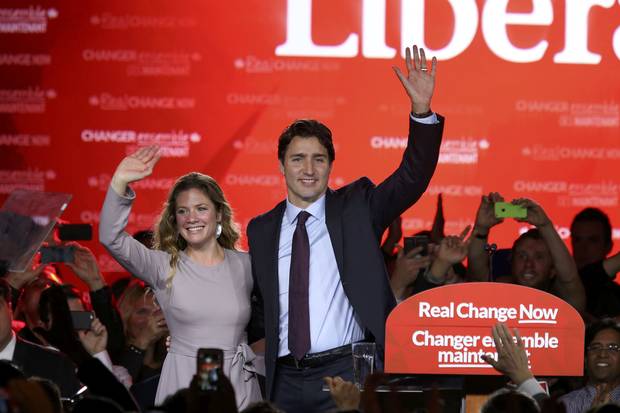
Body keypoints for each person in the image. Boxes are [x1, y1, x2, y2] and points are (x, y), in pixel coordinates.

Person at [247, 44, 444, 412]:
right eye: (298, 158)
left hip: (345, 375)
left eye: (319, 159)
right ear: (281, 165)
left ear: (331, 165)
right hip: (282, 379)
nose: (309, 168)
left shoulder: (357, 208)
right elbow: (257, 306)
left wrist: (421, 111)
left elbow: (412, 177)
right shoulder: (261, 230)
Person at [99, 146, 261, 408]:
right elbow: (111, 238)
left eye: (201, 208)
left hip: (238, 386)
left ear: (218, 213)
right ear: (174, 219)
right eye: (183, 211)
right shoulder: (163, 266)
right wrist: (119, 182)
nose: (191, 218)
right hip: (183, 385)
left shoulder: (247, 265)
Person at [467, 193, 586, 313]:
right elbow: (476, 274)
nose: (529, 264)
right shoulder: (495, 292)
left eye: (539, 257)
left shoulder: (564, 304)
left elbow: (570, 279)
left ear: (553, 270)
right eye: (522, 256)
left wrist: (545, 225)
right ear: (511, 260)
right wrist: (481, 228)